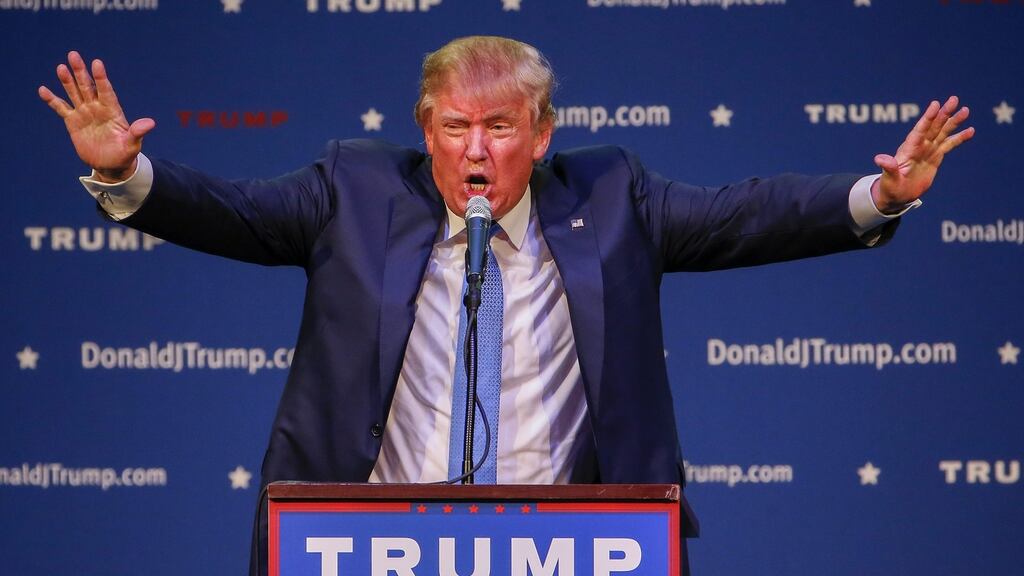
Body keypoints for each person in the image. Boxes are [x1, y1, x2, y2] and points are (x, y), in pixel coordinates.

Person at [39, 36, 973, 576]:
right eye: (454, 127)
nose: (474, 151)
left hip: (564, 547)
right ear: (425, 131)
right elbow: (229, 213)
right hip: (371, 546)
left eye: (497, 126)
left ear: (542, 133)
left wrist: (881, 195)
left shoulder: (611, 199)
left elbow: (749, 215)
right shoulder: (355, 192)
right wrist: (125, 173)